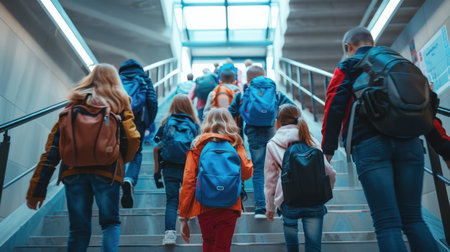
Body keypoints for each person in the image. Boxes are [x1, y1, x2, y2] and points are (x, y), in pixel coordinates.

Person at [321, 27, 440, 252]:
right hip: (410, 143)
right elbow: (426, 106)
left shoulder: (349, 65)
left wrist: (327, 149)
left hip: (370, 145)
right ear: (372, 42)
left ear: (348, 48)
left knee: (387, 223)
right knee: (414, 219)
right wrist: (443, 147)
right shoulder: (400, 64)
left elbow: (334, 105)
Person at [26, 64, 140, 252]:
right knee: (110, 223)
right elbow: (133, 138)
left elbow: (53, 149)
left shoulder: (73, 105)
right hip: (107, 170)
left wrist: (36, 190)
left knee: (78, 230)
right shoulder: (120, 103)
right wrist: (120, 158)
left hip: (73, 170)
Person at [178, 108, 253, 251]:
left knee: (208, 242)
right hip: (230, 205)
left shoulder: (198, 146)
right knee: (223, 247)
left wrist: (184, 217)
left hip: (205, 205)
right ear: (230, 123)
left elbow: (188, 182)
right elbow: (247, 172)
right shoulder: (235, 144)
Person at [265, 104, 336, 252]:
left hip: (288, 200)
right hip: (315, 200)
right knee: (314, 246)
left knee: (292, 247)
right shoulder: (310, 140)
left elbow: (270, 180)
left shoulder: (273, 144)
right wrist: (326, 190)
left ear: (278, 122)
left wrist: (270, 207)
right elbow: (330, 172)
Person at [228, 65, 294, 219]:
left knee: (258, 170)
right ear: (264, 76)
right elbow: (293, 108)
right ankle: (279, 206)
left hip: (253, 134)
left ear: (248, 80)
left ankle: (260, 208)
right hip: (273, 133)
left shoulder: (242, 95)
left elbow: (228, 114)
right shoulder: (275, 93)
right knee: (276, 168)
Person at [153, 94, 200, 245]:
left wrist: (157, 169)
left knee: (172, 201)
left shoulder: (166, 122)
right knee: (190, 196)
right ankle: (190, 219)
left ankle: (169, 234)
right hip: (188, 167)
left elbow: (156, 144)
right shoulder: (194, 124)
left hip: (169, 166)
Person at [119, 59, 158, 208]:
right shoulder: (144, 79)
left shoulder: (117, 79)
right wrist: (149, 122)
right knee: (136, 152)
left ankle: (118, 180)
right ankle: (129, 179)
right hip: (137, 121)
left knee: (118, 151)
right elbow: (152, 101)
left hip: (117, 118)